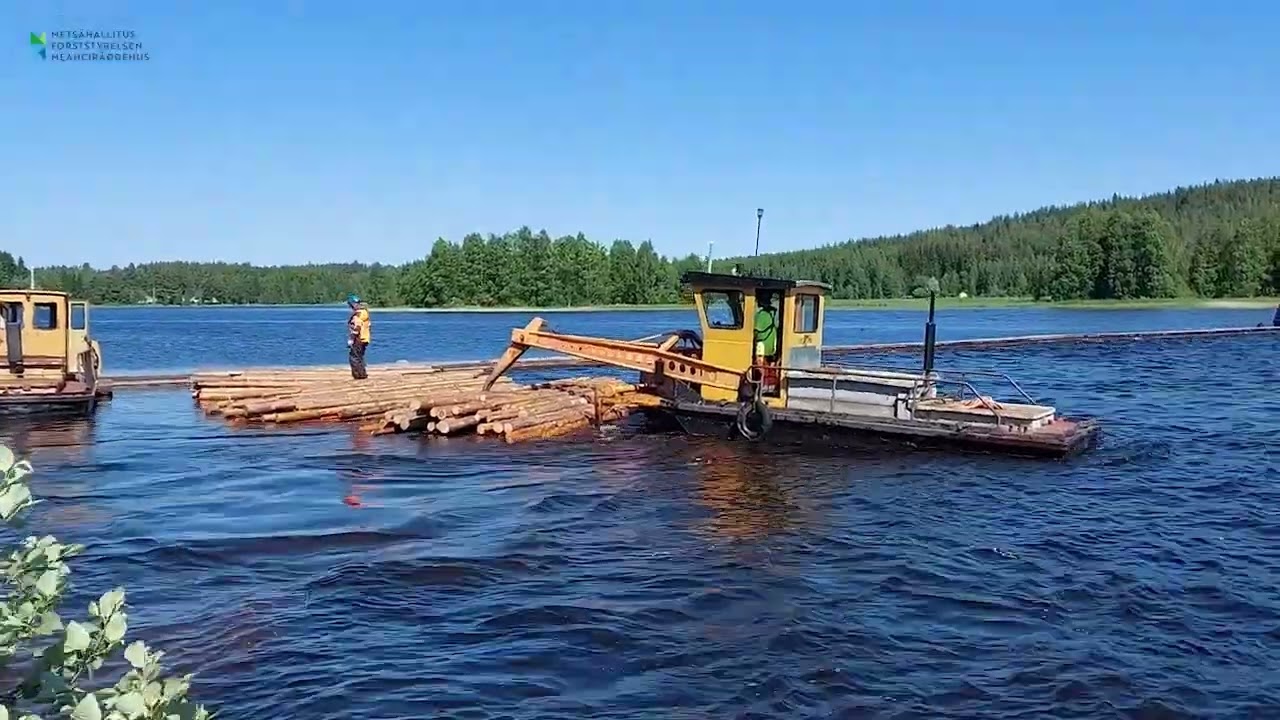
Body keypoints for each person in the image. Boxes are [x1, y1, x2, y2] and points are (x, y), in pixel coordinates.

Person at [346, 294, 371, 380]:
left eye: (351, 304)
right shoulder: (363, 312)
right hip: (364, 338)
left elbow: (357, 326)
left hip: (359, 338)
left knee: (354, 357)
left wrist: (351, 339)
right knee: (359, 356)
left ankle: (358, 375)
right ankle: (362, 374)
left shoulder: (359, 314)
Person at [753, 294, 778, 362]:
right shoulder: (774, 312)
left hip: (763, 344)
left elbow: (756, 331)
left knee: (760, 360)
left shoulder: (760, 314)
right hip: (772, 342)